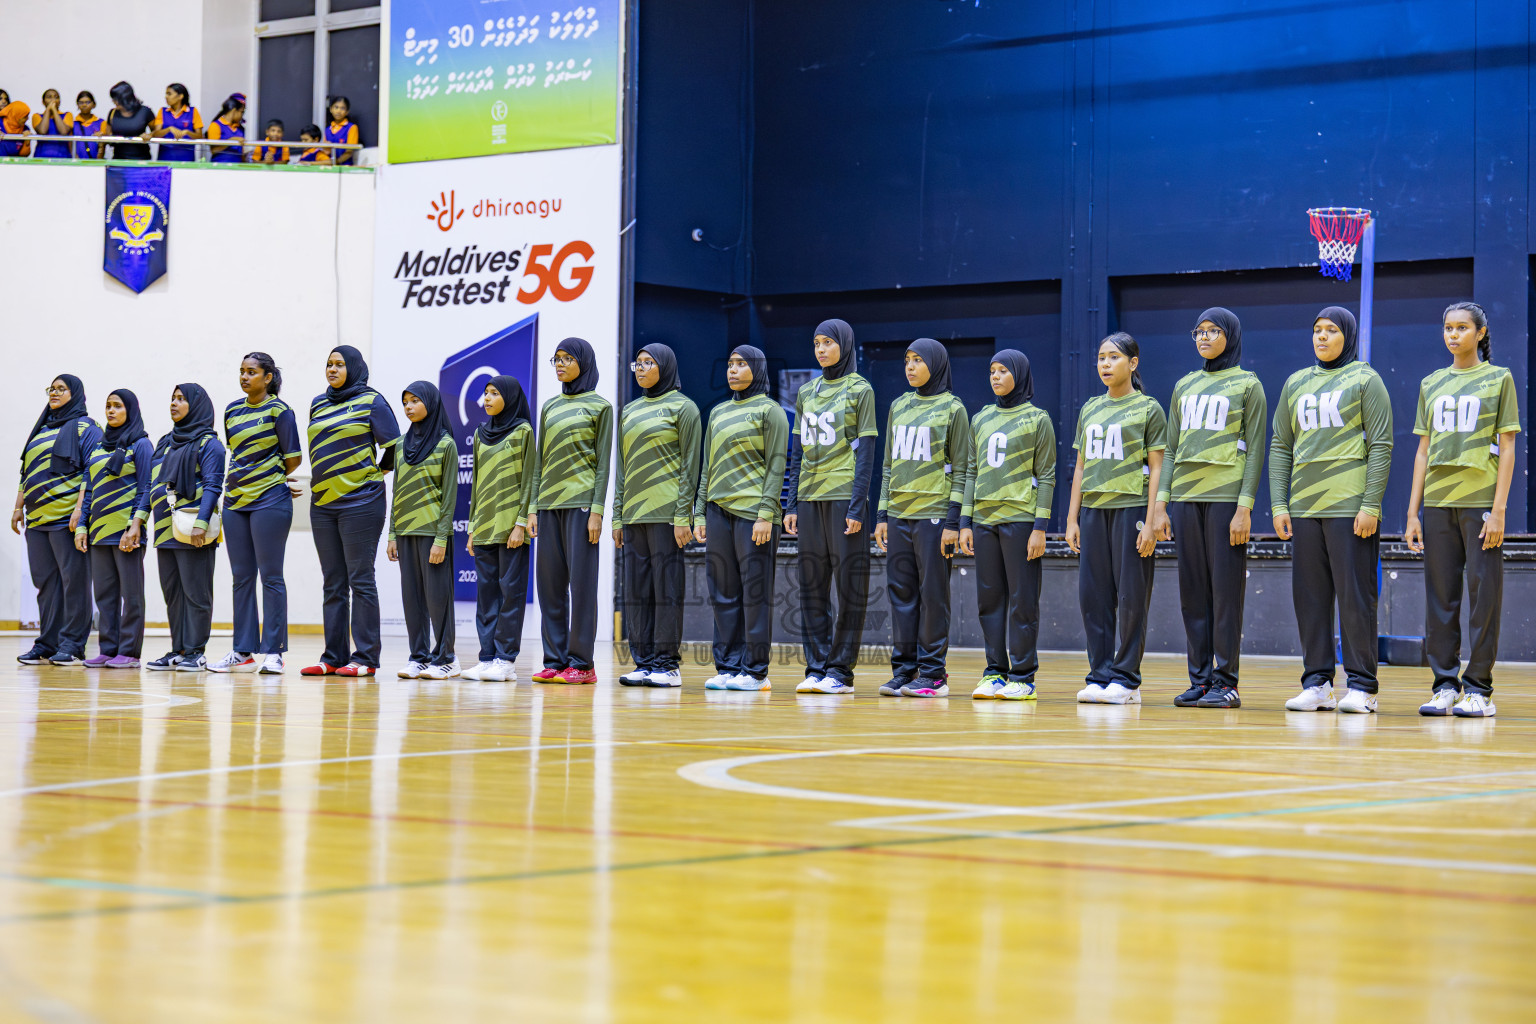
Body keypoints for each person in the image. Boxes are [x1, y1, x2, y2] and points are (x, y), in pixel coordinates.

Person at [1274, 307, 1393, 714]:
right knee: (1310, 598)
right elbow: (1280, 446)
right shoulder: (1295, 383)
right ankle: (1317, 683)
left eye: (1331, 331)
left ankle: (1362, 685)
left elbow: (1381, 445)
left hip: (1350, 506)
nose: (1321, 337)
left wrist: (1371, 504)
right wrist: (1278, 503)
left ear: (1348, 335)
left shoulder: (1365, 379)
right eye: (1316, 331)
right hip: (1304, 506)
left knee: (1356, 598)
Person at [1405, 302, 1519, 719]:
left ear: (1481, 333)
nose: (1453, 335)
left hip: (1480, 503)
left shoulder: (1498, 379)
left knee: (1483, 596)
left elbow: (1507, 447)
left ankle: (1479, 689)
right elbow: (1422, 451)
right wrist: (1412, 512)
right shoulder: (1431, 382)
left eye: (1462, 328)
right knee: (1441, 598)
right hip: (1437, 503)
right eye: (1448, 328)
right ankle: (1444, 685)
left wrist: (1500, 509)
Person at [1154, 308, 1267, 710]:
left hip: (1225, 501)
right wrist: (1161, 505)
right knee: (1192, 593)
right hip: (1185, 500)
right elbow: (1170, 449)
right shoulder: (1184, 385)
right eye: (1198, 332)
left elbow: (1255, 450)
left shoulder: (1248, 385)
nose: (1203, 338)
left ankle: (1226, 681)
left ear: (1230, 336)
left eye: (1212, 331)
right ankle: (1200, 680)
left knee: (1225, 593)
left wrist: (1245, 507)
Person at [1065, 333, 1168, 705]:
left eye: (1113, 357)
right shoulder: (1090, 408)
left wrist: (1153, 517)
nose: (1105, 364)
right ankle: (1100, 674)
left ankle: (1126, 678)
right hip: (1093, 512)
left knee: (1131, 597)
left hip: (1131, 511)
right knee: (1093, 598)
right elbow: (1080, 467)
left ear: (1133, 363)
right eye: (1100, 358)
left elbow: (1158, 467)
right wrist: (1072, 517)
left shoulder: (1149, 409)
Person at [783, 319, 878, 695]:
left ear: (845, 345)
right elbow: (797, 451)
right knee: (811, 587)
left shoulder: (860, 389)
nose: (821, 349)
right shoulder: (806, 391)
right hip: (808, 498)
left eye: (828, 342)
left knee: (849, 587)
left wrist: (857, 506)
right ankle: (816, 666)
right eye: (816, 342)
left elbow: (867, 451)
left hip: (844, 498)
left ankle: (841, 671)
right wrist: (790, 503)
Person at [873, 339, 972, 697]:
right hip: (899, 514)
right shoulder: (898, 406)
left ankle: (934, 673)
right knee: (901, 594)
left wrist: (952, 521)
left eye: (918, 360)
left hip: (933, 516)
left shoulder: (952, 409)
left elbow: (962, 469)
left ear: (936, 364)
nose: (910, 367)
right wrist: (882, 513)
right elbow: (887, 466)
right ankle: (904, 670)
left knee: (933, 595)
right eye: (907, 360)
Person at [959, 349, 1055, 701]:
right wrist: (965, 521)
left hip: (1020, 521)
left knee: (1022, 601)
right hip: (984, 521)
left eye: (1003, 371)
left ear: (1019, 374)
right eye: (992, 371)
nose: (995, 377)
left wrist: (1040, 526)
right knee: (989, 600)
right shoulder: (980, 418)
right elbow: (971, 471)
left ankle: (1023, 676)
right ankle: (994, 671)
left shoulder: (1037, 419)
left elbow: (1046, 475)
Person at [694, 346, 790, 690]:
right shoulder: (717, 412)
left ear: (758, 369)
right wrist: (700, 511)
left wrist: (767, 513)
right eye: (730, 364)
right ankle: (728, 668)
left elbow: (778, 464)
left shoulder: (770, 411)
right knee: (722, 592)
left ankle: (755, 671)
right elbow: (707, 467)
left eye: (741, 364)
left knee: (754, 594)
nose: (732, 370)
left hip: (754, 515)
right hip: (717, 512)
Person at [301, 346, 401, 677]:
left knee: (360, 579)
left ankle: (366, 658)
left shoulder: (372, 401)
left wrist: (376, 473)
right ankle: (333, 656)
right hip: (322, 505)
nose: (332, 369)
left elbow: (394, 448)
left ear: (354, 368)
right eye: (328, 364)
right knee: (333, 582)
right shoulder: (317, 403)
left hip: (362, 502)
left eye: (339, 365)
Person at [612, 344, 700, 688]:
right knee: (636, 591)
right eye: (638, 363)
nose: (641, 368)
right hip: (633, 516)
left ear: (664, 366)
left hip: (667, 515)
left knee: (667, 591)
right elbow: (622, 467)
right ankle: (643, 661)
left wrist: (683, 515)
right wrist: (617, 516)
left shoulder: (684, 408)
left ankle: (667, 665)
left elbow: (690, 466)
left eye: (649, 363)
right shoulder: (629, 410)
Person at [208, 353, 301, 675]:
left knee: (271, 577)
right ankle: (242, 650)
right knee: (241, 578)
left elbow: (293, 460)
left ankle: (273, 652)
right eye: (242, 372)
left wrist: (267, 478)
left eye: (252, 372)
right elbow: (238, 452)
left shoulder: (281, 411)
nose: (245, 377)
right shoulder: (232, 410)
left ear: (269, 377)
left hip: (270, 501)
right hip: (235, 503)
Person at [528, 338, 612, 684]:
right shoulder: (549, 406)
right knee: (549, 588)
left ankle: (583, 664)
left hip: (581, 507)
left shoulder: (600, 407)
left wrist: (596, 511)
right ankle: (555, 660)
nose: (560, 365)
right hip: (548, 507)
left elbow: (604, 464)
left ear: (583, 362)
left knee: (582, 587)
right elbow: (538, 462)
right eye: (556, 359)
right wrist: (532, 508)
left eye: (567, 359)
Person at [12, 375, 100, 666]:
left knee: (73, 583)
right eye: (51, 388)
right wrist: (17, 507)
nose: (55, 393)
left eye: (61, 389)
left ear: (74, 394)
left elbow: (92, 471)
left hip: (67, 519)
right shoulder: (40, 429)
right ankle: (47, 643)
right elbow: (27, 472)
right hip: (37, 521)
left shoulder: (86, 428)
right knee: (47, 584)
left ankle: (73, 644)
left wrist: (80, 510)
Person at [144, 384, 225, 672]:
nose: (174, 403)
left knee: (196, 593)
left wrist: (201, 523)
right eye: (172, 398)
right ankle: (178, 649)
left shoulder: (209, 444)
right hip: (165, 529)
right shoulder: (166, 442)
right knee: (174, 594)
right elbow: (150, 485)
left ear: (197, 405)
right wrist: (139, 519)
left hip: (194, 529)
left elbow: (214, 485)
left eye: (181, 399)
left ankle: (196, 651)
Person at [463, 376, 537, 683]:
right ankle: (486, 657)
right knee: (486, 595)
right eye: (485, 393)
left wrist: (521, 522)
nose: (487, 398)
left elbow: (531, 479)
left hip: (511, 529)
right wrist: (471, 528)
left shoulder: (523, 431)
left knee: (511, 594)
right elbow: (477, 483)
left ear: (509, 396)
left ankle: (506, 660)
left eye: (494, 393)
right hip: (483, 528)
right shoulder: (480, 434)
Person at [74, 389, 153, 667]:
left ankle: (129, 653)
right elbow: (90, 488)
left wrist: (135, 526)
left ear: (130, 410)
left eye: (117, 406)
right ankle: (108, 649)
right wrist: (83, 525)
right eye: (108, 406)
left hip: (126, 533)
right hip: (99, 533)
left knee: (130, 595)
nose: (110, 411)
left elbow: (147, 488)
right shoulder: (98, 447)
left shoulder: (141, 444)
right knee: (104, 595)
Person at [389, 381, 460, 680]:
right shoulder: (399, 445)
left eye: (415, 400)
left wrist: (441, 538)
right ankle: (418, 657)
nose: (408, 406)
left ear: (430, 403)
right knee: (412, 598)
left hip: (433, 534)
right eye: (405, 401)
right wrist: (392, 534)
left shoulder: (446, 444)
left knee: (438, 598)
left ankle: (446, 658)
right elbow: (396, 491)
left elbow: (449, 496)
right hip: (405, 532)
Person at [150, 82, 201, 161]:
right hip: (165, 157)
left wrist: (187, 132)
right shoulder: (162, 111)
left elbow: (199, 136)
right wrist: (169, 129)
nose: (166, 97)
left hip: (187, 159)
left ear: (180, 96)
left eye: (169, 94)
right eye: (166, 94)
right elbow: (156, 134)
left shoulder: (193, 111)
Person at [105, 82, 153, 161]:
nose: (113, 101)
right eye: (113, 99)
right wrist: (102, 136)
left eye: (116, 99)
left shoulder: (145, 111)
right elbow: (108, 135)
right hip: (118, 160)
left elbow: (157, 132)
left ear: (126, 98)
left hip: (141, 160)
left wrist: (149, 135)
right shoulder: (112, 113)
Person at [206, 94, 246, 163]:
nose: (242, 116)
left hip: (238, 168)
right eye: (241, 112)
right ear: (234, 111)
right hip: (220, 166)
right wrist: (231, 141)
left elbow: (241, 152)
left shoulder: (240, 129)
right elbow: (214, 150)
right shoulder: (215, 125)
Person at [31, 90, 70, 159]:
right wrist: (48, 109)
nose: (53, 100)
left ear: (59, 101)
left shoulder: (67, 115)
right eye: (49, 97)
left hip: (63, 157)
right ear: (43, 102)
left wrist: (54, 111)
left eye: (56, 97)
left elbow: (63, 131)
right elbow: (42, 131)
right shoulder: (37, 116)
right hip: (41, 157)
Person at [69, 91, 106, 159]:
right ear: (77, 105)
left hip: (96, 162)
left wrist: (98, 161)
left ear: (94, 104)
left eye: (88, 102)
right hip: (77, 163)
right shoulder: (73, 123)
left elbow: (102, 146)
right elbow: (70, 145)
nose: (84, 105)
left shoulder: (101, 122)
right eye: (81, 102)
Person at [324, 96, 359, 165]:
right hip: (330, 167)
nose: (338, 111)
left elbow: (349, 152)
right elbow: (326, 152)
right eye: (336, 107)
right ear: (331, 109)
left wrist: (336, 162)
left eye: (342, 108)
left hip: (345, 167)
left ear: (347, 112)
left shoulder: (352, 128)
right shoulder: (327, 130)